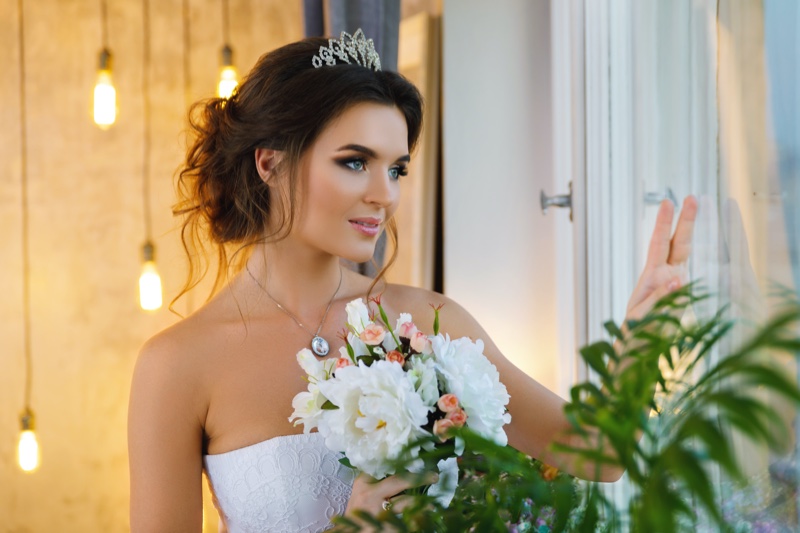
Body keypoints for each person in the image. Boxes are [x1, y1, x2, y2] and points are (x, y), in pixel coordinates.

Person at [127, 30, 698, 533]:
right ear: (269, 163)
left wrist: (640, 337)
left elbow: (595, 454)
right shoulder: (177, 365)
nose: (386, 194)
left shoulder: (427, 321)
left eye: (396, 168)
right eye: (355, 161)